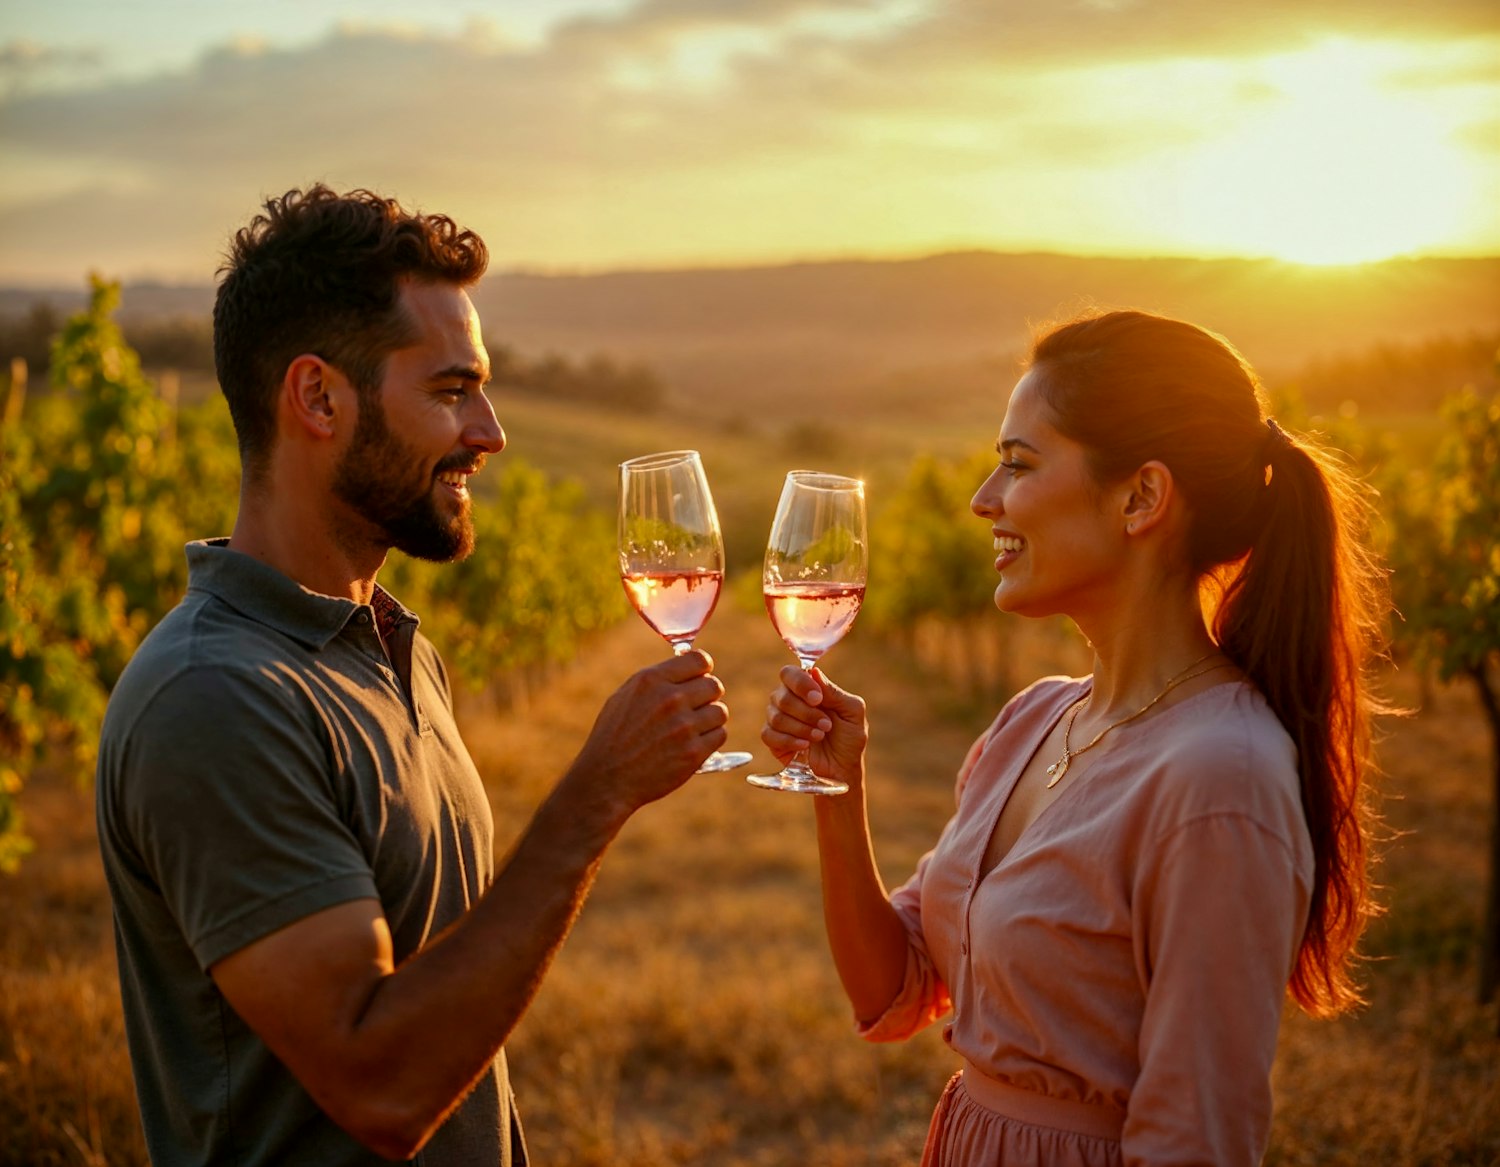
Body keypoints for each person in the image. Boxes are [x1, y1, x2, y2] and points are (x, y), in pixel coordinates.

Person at [95, 185, 732, 1166]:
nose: (491, 432)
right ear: (316, 398)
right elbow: (382, 1088)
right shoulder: (215, 696)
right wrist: (597, 795)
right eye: (449, 391)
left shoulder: (393, 646)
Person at [760, 309, 1385, 1165]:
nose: (984, 500)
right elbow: (895, 989)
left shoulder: (1220, 777)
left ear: (1142, 498)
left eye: (1018, 464)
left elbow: (1193, 1140)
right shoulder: (1035, 720)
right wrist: (838, 788)